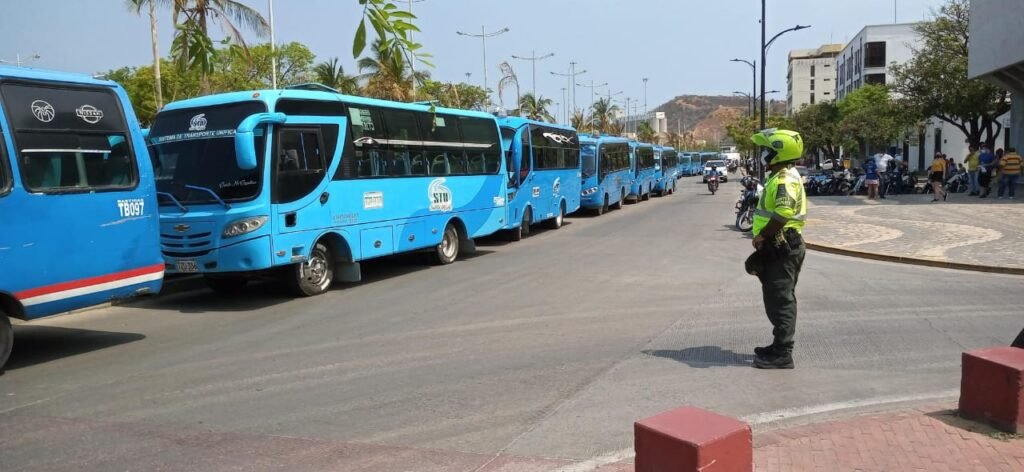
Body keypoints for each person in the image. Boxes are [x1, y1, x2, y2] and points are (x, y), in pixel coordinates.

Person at [746, 128, 806, 369]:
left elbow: (783, 212)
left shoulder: (783, 180)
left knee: (781, 299)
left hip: (783, 245)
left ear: (778, 154)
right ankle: (778, 343)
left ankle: (783, 353)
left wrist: (761, 236)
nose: (764, 155)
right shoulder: (780, 176)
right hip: (779, 244)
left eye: (767, 151)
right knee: (775, 297)